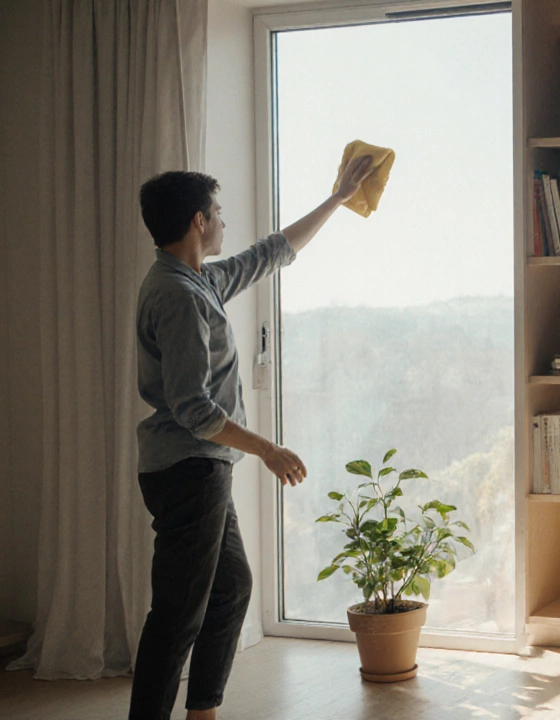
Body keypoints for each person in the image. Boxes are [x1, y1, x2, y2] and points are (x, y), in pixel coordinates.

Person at [129, 154, 374, 720]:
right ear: (197, 221)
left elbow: (270, 253)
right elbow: (195, 410)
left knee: (232, 586)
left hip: (200, 466)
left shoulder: (199, 280)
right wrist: (269, 448)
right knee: (177, 613)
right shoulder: (180, 296)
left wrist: (337, 198)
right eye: (217, 212)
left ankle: (202, 711)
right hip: (188, 467)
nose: (222, 221)